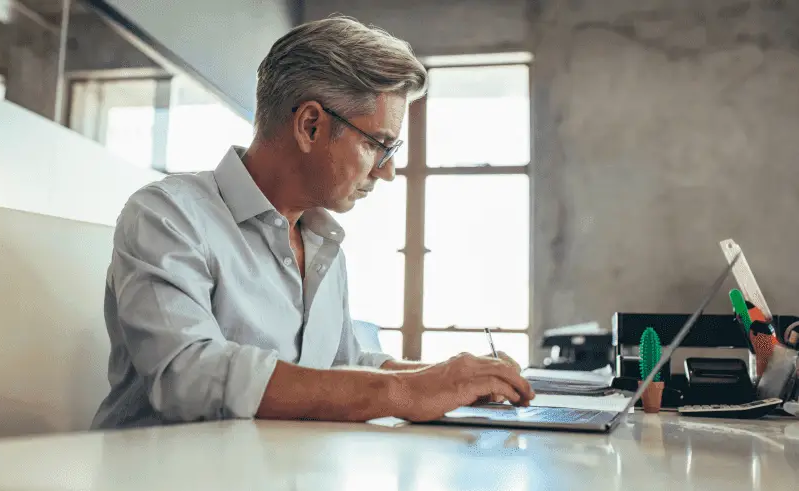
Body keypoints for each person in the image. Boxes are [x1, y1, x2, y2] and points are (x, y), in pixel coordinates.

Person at [91, 15, 534, 430]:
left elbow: (341, 362)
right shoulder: (167, 216)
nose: (387, 171)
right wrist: (404, 391)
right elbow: (189, 375)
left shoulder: (321, 241)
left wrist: (454, 378)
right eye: (379, 144)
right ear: (310, 125)